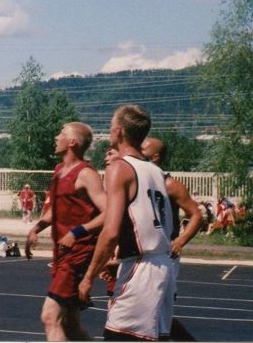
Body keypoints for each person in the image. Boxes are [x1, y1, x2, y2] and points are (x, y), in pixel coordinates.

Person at [79, 105, 173, 341]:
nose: (109, 130)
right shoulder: (155, 170)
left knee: (119, 337)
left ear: (119, 131)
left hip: (141, 268)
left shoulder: (119, 168)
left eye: (111, 126)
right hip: (163, 264)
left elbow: (110, 232)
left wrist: (88, 277)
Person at [25, 122, 107, 341]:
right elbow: (55, 209)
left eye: (61, 134)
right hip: (62, 253)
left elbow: (109, 212)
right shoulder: (59, 170)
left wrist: (77, 232)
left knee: (50, 317)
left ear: (72, 142)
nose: (56, 137)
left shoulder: (86, 174)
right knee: (71, 326)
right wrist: (37, 228)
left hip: (77, 254)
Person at [141, 137, 203, 341]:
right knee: (146, 313)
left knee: (158, 313)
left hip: (164, 256)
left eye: (143, 150)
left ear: (155, 157)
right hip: (144, 254)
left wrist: (180, 240)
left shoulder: (169, 184)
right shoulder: (139, 180)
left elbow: (196, 215)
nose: (138, 153)